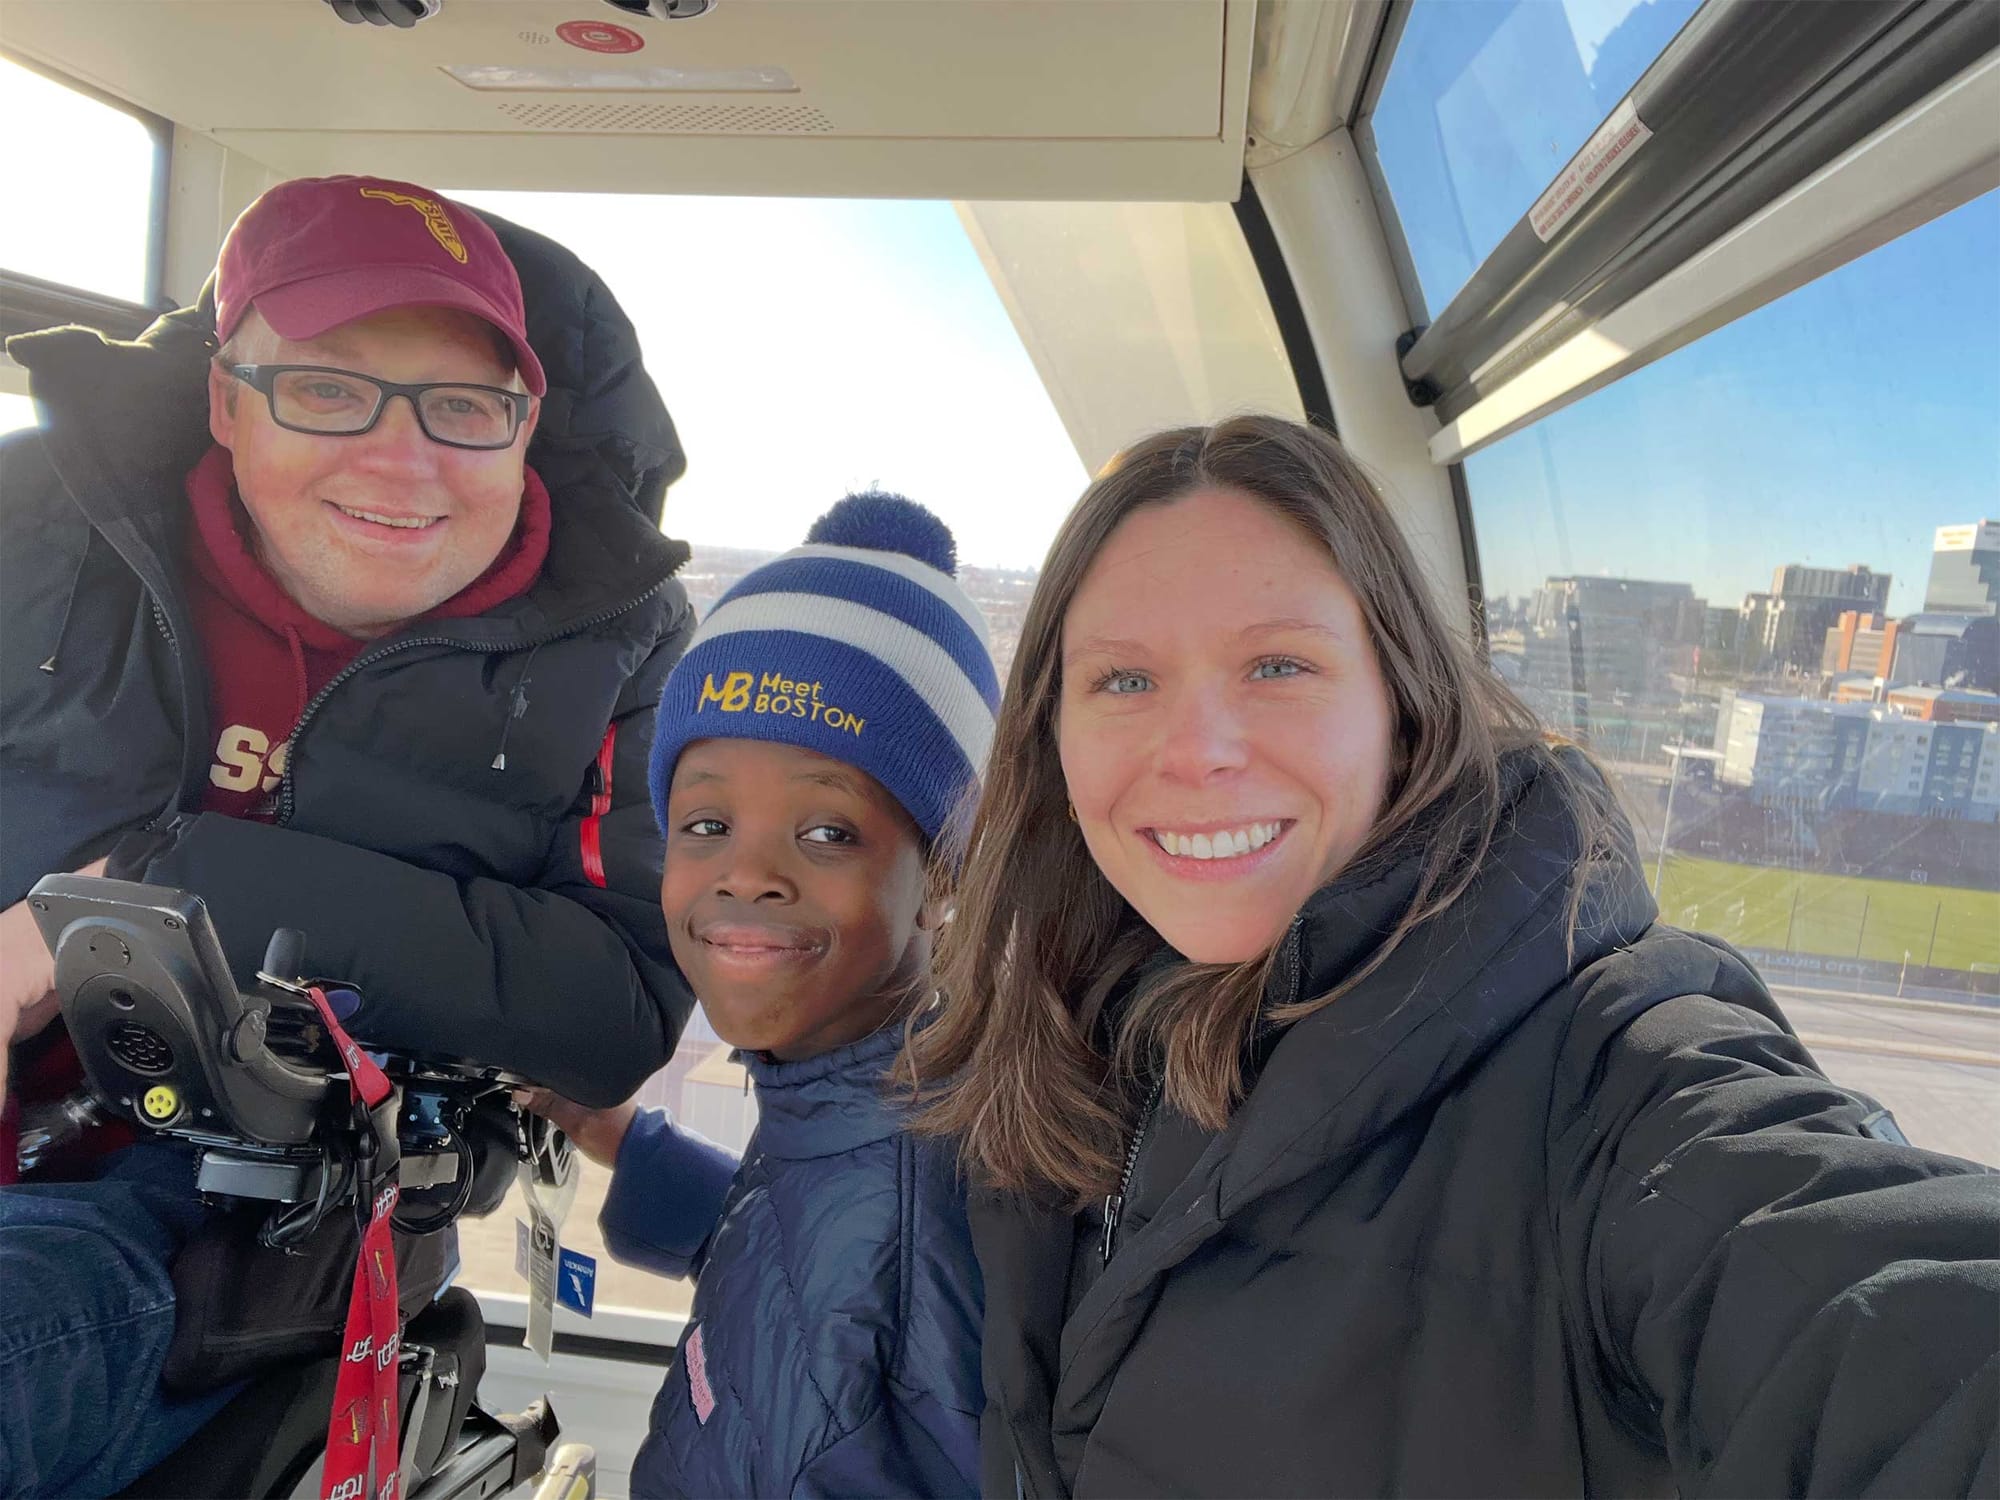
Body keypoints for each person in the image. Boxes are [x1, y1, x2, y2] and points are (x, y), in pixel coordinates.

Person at [899, 415, 2000, 1498]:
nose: (1196, 752)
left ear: (1402, 704)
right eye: (1123, 682)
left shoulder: (1610, 1077)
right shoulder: (1069, 1027)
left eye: (1277, 665)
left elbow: (1870, 1312)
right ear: (1050, 730)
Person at [0, 175, 696, 1497]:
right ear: (224, 397)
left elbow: (614, 1004)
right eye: (326, 388)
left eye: (465, 406)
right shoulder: (36, 529)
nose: (403, 459)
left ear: (525, 423)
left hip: (244, 1218)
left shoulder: (615, 641)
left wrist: (141, 890)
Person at [527, 493, 997, 1499]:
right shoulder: (848, 1095)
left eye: (826, 832)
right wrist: (616, 1136)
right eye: (704, 825)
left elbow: (860, 1296)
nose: (746, 875)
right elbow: (804, 1270)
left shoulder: (934, 1208)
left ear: (945, 880)